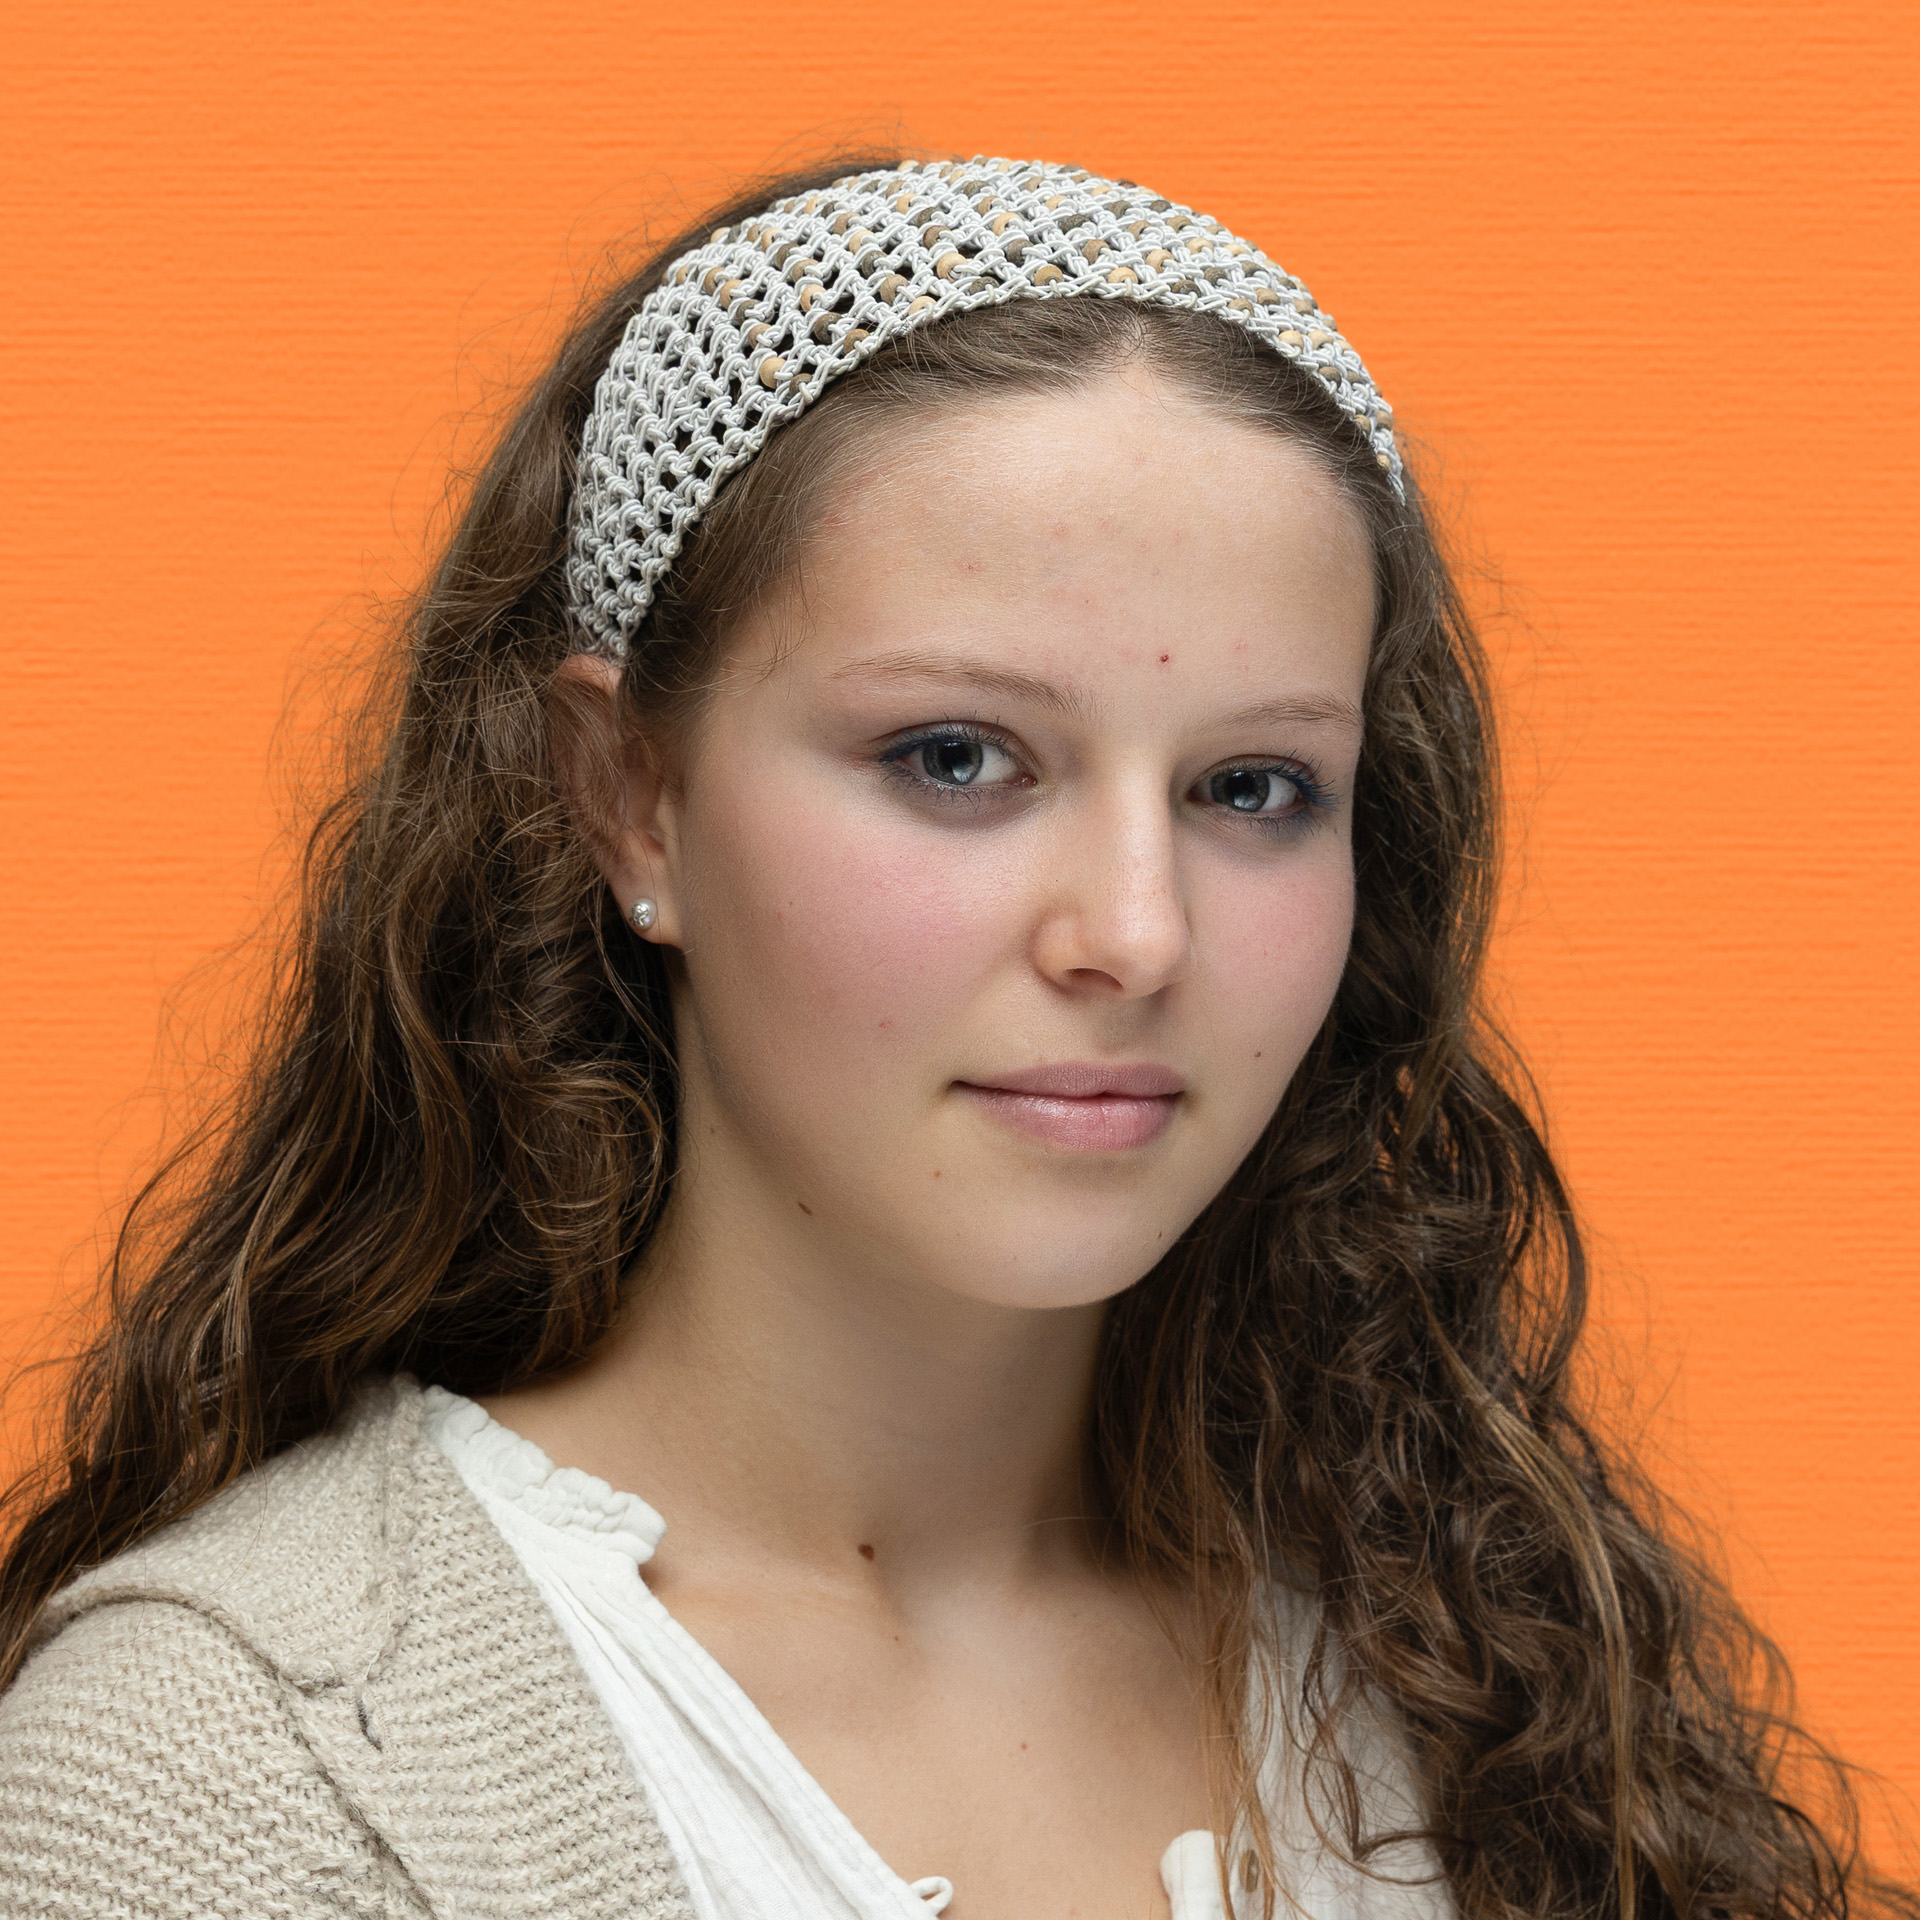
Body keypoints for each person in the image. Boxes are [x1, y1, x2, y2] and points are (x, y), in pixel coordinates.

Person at [0, 152, 1905, 1920]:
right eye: (956, 758)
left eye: (1253, 787)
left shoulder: (1485, 1673)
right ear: (629, 799)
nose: (1137, 934)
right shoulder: (216, 1777)